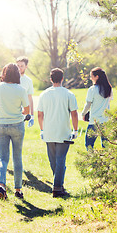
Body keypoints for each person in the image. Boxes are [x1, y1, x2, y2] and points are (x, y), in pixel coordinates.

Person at [0, 63, 29, 200]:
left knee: (3, 158)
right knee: (17, 157)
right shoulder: (21, 90)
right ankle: (18, 190)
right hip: (17, 125)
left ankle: (2, 186)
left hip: (1, 126)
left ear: (4, 74)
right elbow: (26, 111)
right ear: (17, 74)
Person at [37, 68, 78, 198]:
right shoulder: (68, 94)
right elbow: (74, 113)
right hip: (63, 132)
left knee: (53, 161)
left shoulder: (44, 94)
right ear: (62, 79)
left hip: (48, 132)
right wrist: (75, 130)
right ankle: (57, 187)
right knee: (60, 160)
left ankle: (58, 185)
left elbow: (39, 114)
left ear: (50, 79)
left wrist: (42, 129)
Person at [81, 67, 113, 150]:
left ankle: (93, 162)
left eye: (91, 76)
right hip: (106, 121)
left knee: (89, 144)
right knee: (106, 146)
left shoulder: (92, 89)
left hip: (94, 121)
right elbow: (108, 103)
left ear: (97, 77)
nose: (90, 78)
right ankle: (106, 162)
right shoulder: (109, 89)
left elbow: (88, 104)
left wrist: (83, 113)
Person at [16, 56, 34, 127]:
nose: (19, 68)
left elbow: (30, 98)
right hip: (10, 113)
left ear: (26, 67)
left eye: (22, 66)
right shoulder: (10, 78)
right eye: (18, 66)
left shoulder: (28, 81)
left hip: (22, 114)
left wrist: (32, 115)